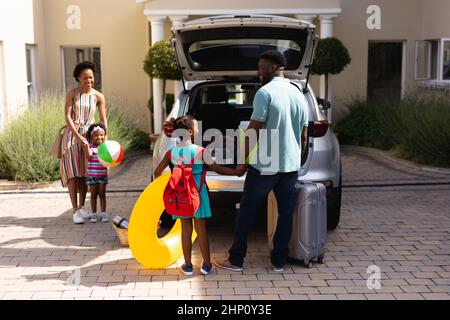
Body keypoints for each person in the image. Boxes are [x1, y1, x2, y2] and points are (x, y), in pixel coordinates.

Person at [214, 50, 309, 273]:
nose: (258, 72)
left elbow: (253, 131)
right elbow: (304, 135)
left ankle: (236, 260)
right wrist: (297, 160)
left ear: (273, 67)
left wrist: (243, 163)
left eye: (261, 67)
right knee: (286, 213)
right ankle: (278, 262)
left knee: (247, 211)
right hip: (290, 167)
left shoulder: (265, 93)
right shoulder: (298, 94)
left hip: (265, 166)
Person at [154, 115, 241, 276]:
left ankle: (187, 265)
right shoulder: (201, 151)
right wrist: (236, 172)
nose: (198, 130)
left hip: (180, 196)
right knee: (201, 229)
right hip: (198, 195)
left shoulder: (171, 152)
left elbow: (157, 172)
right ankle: (206, 264)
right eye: (196, 127)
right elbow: (218, 169)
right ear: (189, 131)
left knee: (185, 230)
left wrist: (172, 182)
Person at [60, 61, 107, 224]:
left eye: (91, 78)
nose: (89, 81)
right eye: (85, 78)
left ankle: (81, 207)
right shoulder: (72, 94)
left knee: (85, 174)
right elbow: (67, 117)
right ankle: (74, 210)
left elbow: (102, 119)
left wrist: (104, 141)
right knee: (73, 174)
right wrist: (79, 138)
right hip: (72, 137)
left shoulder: (98, 96)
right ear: (78, 78)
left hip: (90, 137)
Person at [84, 123, 109, 223]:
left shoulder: (105, 147)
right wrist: (86, 147)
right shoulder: (90, 147)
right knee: (93, 195)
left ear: (104, 136)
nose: (99, 137)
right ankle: (94, 214)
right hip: (92, 176)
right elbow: (89, 157)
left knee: (102, 195)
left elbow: (110, 159)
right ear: (91, 137)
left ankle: (103, 213)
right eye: (96, 135)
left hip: (103, 175)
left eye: (101, 135)